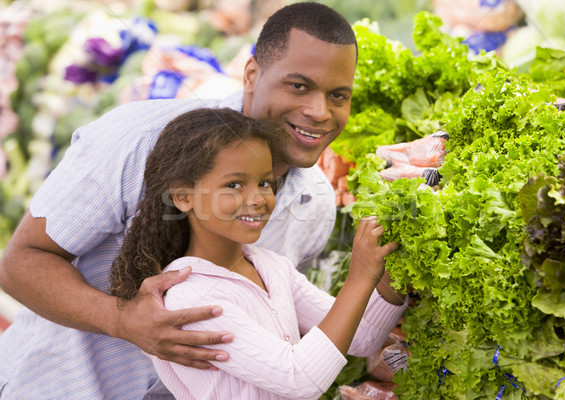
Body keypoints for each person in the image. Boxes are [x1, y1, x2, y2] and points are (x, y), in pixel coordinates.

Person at [0, 2, 373, 399]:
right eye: (298, 86)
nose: (319, 112)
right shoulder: (136, 138)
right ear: (252, 74)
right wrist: (123, 320)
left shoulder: (314, 203)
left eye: (338, 95)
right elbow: (20, 264)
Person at [110, 107, 407, 400]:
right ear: (184, 197)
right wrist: (357, 278)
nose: (258, 199)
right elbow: (300, 379)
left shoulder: (270, 266)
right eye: (234, 184)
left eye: (265, 182)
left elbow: (363, 337)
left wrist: (391, 260)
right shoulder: (187, 297)